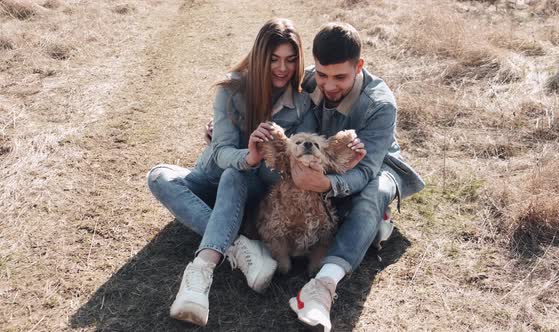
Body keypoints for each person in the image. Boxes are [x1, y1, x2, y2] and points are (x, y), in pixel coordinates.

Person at [146, 18, 311, 326]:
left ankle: (201, 272)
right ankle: (237, 246)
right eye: (274, 59)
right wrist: (247, 155)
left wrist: (272, 152)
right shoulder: (232, 89)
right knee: (158, 176)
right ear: (260, 57)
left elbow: (294, 168)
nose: (282, 68)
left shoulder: (302, 103)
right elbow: (220, 152)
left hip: (251, 190)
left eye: (290, 60)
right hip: (208, 177)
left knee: (234, 177)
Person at [284, 22, 425, 331]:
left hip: (377, 165)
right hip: (323, 160)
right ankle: (370, 224)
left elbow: (365, 170)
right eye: (322, 74)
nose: (329, 85)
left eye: (340, 77)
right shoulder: (308, 81)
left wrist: (328, 185)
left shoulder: (380, 103)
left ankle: (321, 287)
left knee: (371, 194)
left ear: (359, 66)